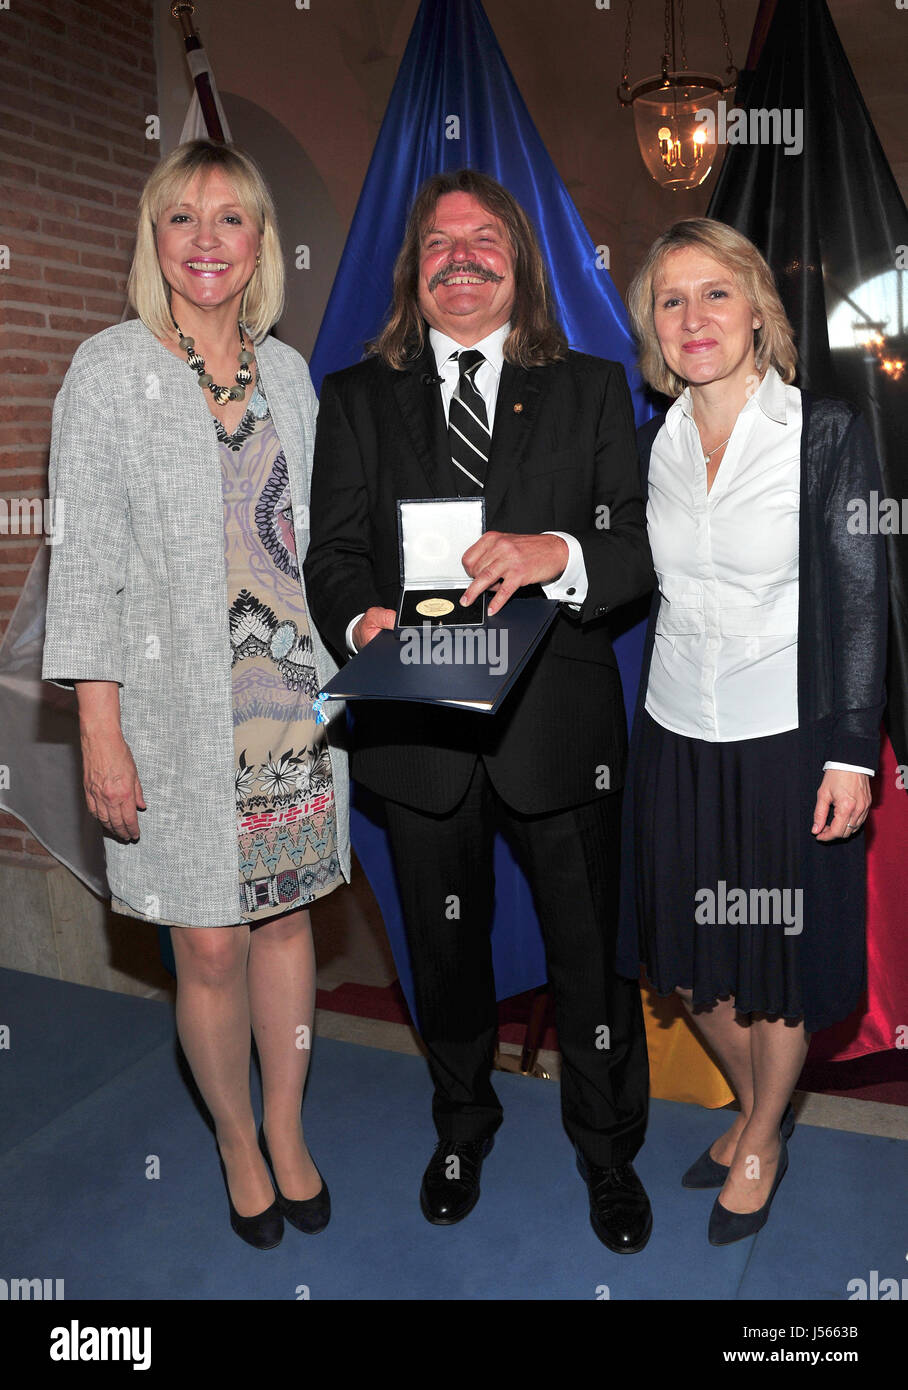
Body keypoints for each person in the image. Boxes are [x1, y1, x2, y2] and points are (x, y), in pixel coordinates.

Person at [304, 168, 656, 1252]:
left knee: (589, 954)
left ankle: (605, 1150)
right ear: (414, 271)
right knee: (442, 952)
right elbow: (332, 556)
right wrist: (363, 621)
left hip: (557, 729)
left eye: (484, 239)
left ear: (518, 262)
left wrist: (556, 551)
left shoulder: (594, 388)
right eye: (439, 242)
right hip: (418, 735)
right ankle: (461, 1123)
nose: (461, 256)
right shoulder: (358, 397)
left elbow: (638, 549)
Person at [42, 139, 350, 1250]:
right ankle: (231, 1136)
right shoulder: (110, 369)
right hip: (173, 720)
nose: (207, 240)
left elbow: (327, 546)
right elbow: (83, 562)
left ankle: (287, 1123)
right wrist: (98, 726)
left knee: (283, 928)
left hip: (293, 712)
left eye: (231, 219)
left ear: (261, 241)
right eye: (184, 219)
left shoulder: (293, 375)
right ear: (155, 240)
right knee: (209, 945)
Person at [621, 218, 887, 1244]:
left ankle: (763, 1131)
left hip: (788, 737)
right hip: (676, 732)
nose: (692, 318)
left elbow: (860, 598)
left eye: (713, 293)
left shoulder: (822, 431)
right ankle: (756, 1104)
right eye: (670, 300)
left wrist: (847, 751)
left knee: (775, 960)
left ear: (754, 308)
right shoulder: (654, 439)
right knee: (685, 961)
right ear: (653, 324)